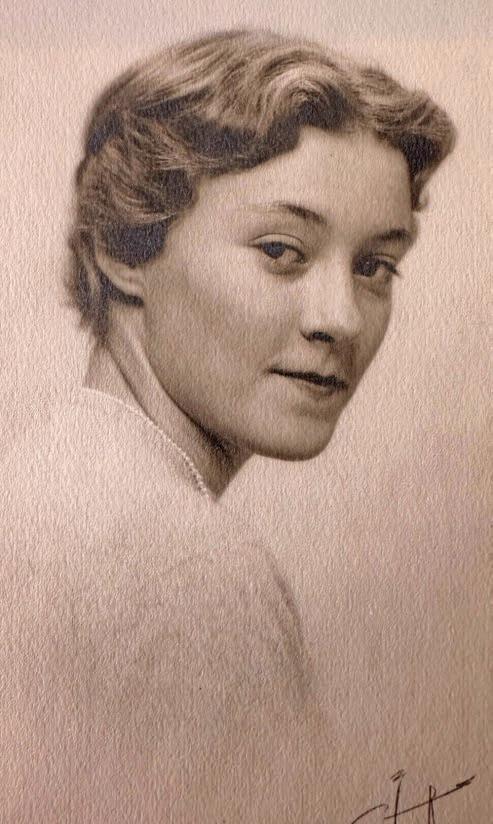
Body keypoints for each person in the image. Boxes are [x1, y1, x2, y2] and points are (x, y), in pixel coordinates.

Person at [0, 28, 455, 822]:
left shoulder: (42, 481)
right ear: (124, 250)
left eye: (373, 267)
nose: (341, 319)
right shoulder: (181, 570)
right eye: (281, 251)